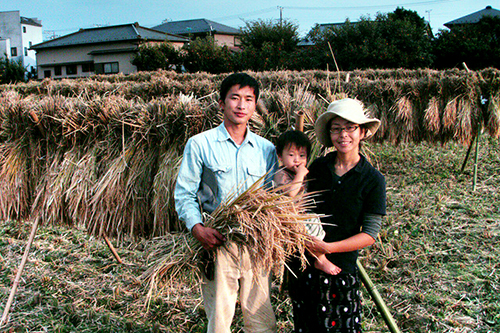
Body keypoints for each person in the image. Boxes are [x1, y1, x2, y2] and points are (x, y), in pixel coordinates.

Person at [174, 73, 278, 333]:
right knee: (219, 322)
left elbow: (276, 196)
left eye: (248, 99)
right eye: (235, 98)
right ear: (221, 103)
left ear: (255, 105)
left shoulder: (266, 149)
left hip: (257, 244)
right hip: (218, 243)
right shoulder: (200, 144)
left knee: (261, 320)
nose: (241, 106)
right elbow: (184, 193)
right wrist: (198, 228)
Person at [288, 98, 386, 333]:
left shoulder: (372, 179)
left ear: (362, 132)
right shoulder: (318, 167)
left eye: (350, 127)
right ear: (330, 134)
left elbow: (370, 234)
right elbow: (299, 208)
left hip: (340, 268)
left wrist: (328, 248)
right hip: (306, 266)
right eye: (336, 128)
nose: (343, 135)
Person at [273, 130, 341, 275]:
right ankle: (320, 259)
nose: (297, 160)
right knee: (309, 229)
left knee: (315, 226)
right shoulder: (281, 174)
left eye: (302, 156)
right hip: (289, 216)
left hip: (302, 213)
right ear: (280, 156)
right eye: (291, 155)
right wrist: (300, 174)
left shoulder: (297, 173)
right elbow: (290, 193)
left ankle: (318, 255)